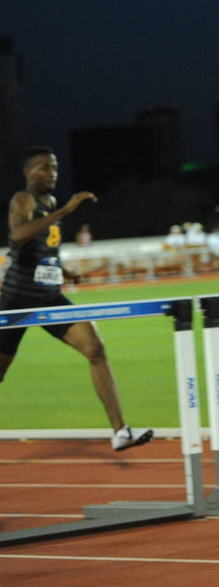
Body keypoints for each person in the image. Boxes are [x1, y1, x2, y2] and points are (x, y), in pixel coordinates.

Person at [0, 148, 152, 451]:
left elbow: (42, 251)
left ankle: (120, 432)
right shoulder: (24, 200)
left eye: (54, 167)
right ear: (29, 172)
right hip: (17, 300)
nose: (52, 173)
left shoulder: (51, 202)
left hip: (49, 297)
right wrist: (65, 211)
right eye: (44, 167)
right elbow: (17, 237)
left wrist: (63, 270)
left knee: (95, 349)